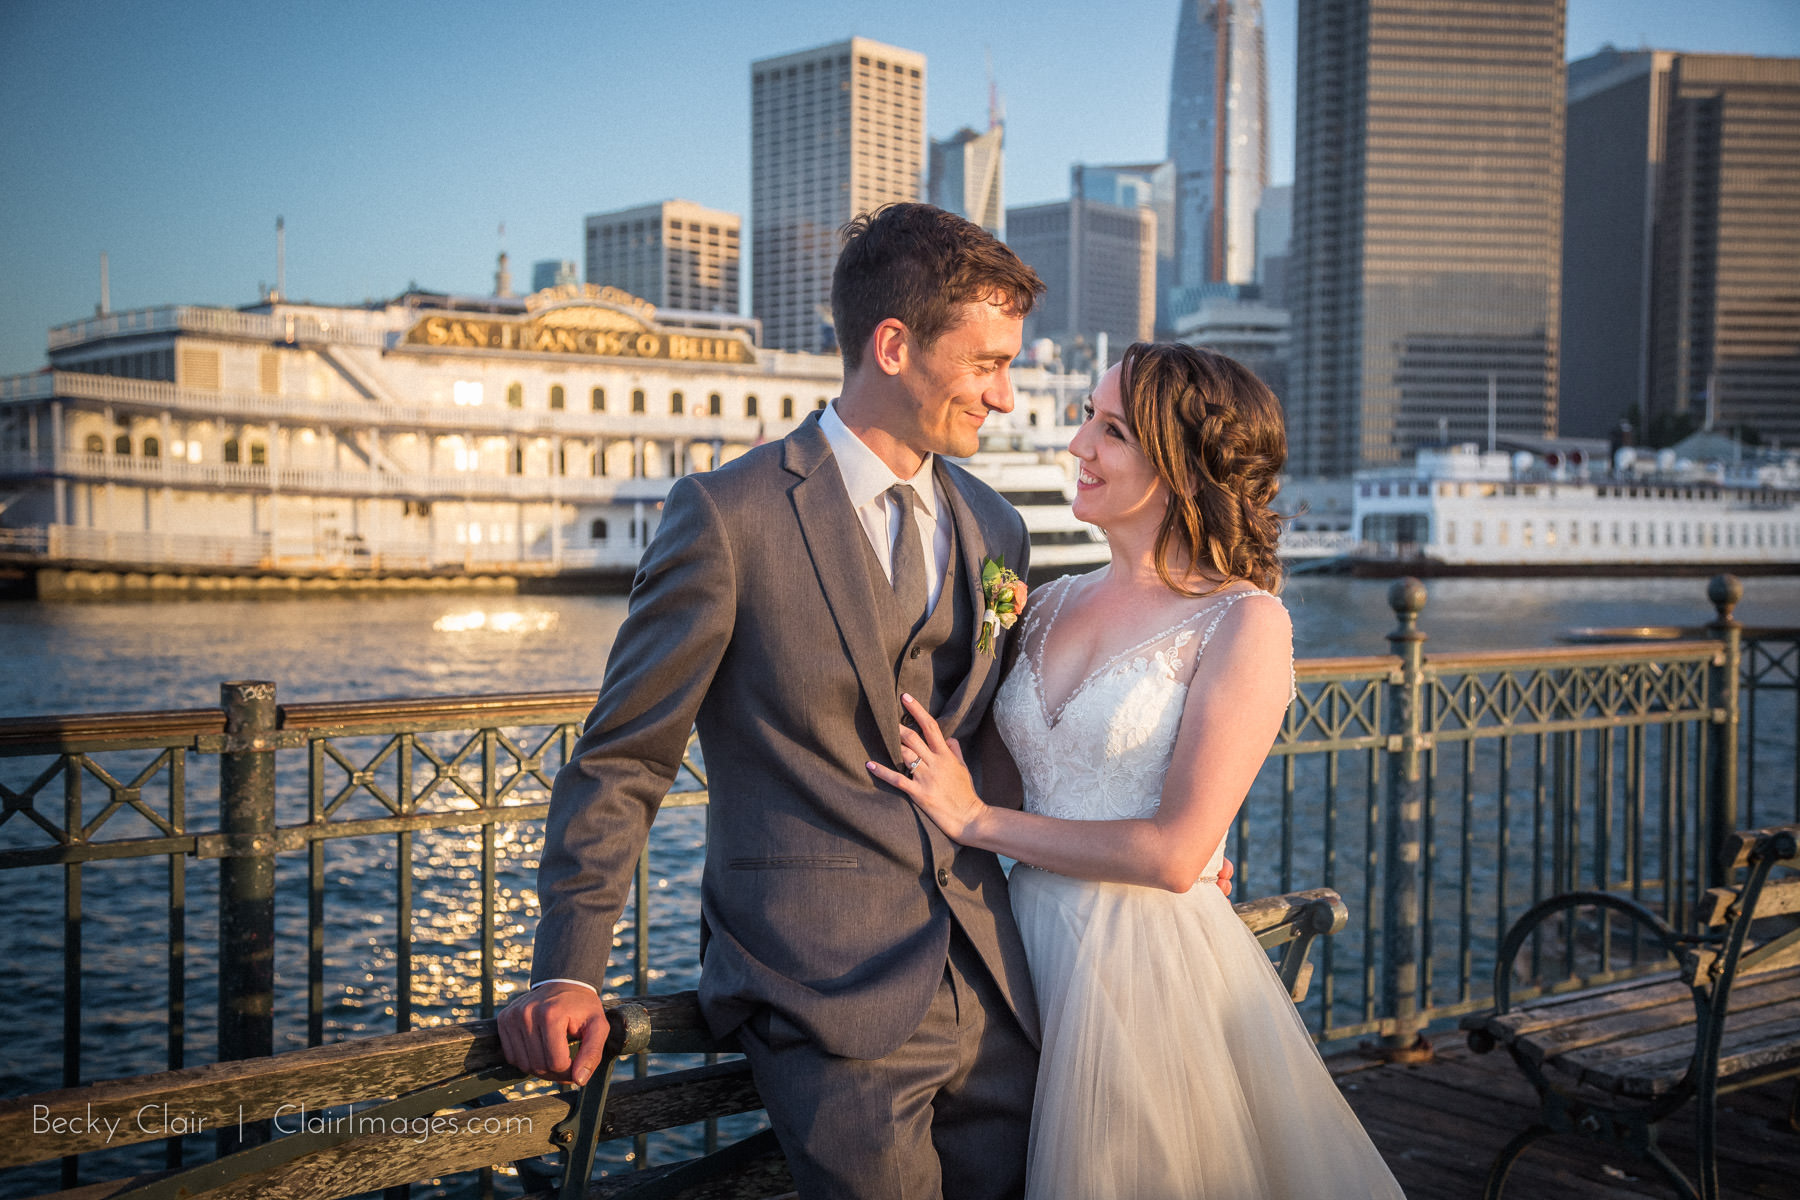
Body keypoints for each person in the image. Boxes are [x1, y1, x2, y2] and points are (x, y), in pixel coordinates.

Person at [497, 203, 1050, 1199]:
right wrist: (566, 969)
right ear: (893, 345)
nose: (1004, 397)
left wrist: (1169, 855)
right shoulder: (729, 517)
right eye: (988, 363)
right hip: (818, 992)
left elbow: (1014, 748)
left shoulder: (997, 529)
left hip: (995, 985)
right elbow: (624, 759)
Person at [872, 343, 1406, 1199]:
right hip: (1013, 948)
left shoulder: (1243, 621)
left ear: (1185, 468)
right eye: (1087, 417)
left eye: (1111, 429)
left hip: (1138, 963)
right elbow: (999, 779)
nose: (1079, 444)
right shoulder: (1042, 604)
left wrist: (977, 823)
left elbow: (1173, 852)